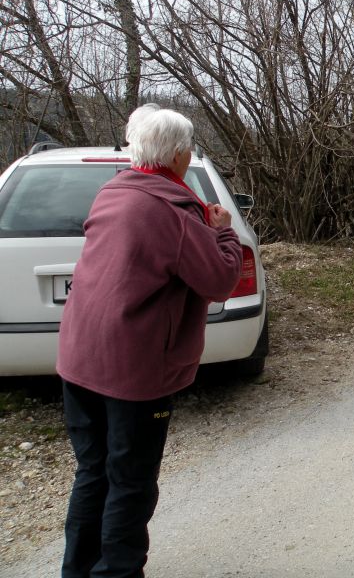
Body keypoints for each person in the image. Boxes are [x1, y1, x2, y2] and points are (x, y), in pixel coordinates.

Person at [57, 108, 243, 578]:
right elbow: (220, 280)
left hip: (79, 357)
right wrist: (220, 229)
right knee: (131, 482)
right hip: (133, 369)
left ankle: (76, 571)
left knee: (94, 473)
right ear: (179, 154)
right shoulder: (174, 211)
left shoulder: (112, 192)